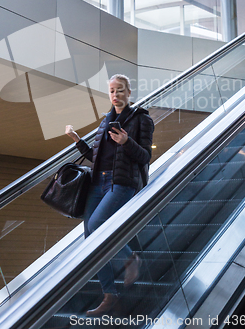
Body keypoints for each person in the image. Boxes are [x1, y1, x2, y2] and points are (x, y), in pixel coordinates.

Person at [65, 74, 154, 316]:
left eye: (120, 90)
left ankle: (130, 259)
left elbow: (146, 157)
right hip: (97, 182)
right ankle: (110, 295)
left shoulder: (141, 118)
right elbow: (97, 157)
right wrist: (77, 141)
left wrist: (126, 141)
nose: (115, 95)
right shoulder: (106, 120)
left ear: (129, 92)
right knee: (90, 237)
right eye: (112, 91)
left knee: (97, 225)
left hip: (121, 183)